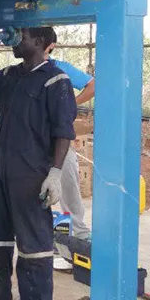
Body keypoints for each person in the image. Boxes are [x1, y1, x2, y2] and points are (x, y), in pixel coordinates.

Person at [0, 27, 77, 300]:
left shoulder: (56, 80)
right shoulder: (6, 76)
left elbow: (63, 131)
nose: (14, 39)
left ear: (40, 42)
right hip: (0, 171)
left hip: (31, 174)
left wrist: (55, 173)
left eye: (22, 34)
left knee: (33, 246)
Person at [42, 28, 93, 252]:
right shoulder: (23, 71)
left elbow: (93, 85)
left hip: (59, 141)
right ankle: (46, 237)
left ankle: (79, 235)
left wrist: (72, 104)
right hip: (31, 141)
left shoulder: (61, 68)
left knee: (68, 184)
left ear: (50, 45)